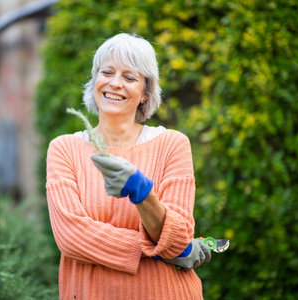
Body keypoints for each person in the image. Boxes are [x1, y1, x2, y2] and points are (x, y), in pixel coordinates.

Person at [46, 33, 211, 299]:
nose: (115, 83)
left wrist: (143, 193)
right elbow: (71, 237)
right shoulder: (65, 149)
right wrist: (166, 250)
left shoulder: (172, 144)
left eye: (129, 77)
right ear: (95, 79)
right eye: (107, 72)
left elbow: (179, 233)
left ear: (145, 93)